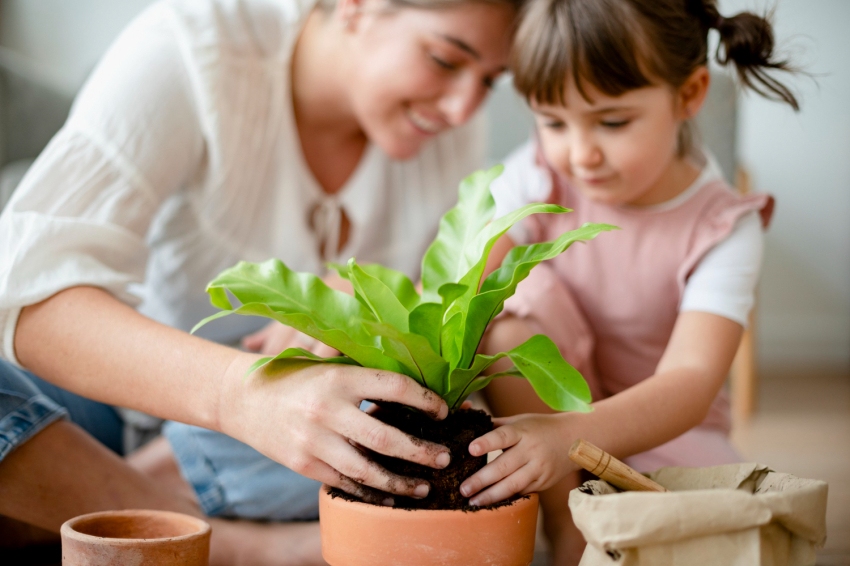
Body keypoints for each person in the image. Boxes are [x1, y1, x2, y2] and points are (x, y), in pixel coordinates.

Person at [0, 0, 522, 563]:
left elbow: (457, 297)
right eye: (445, 59)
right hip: (102, 410)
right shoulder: (195, 51)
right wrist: (239, 395)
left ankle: (85, 504)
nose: (464, 106)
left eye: (491, 81)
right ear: (356, 7)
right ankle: (227, 544)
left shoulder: (443, 126)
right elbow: (28, 293)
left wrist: (377, 297)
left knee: (448, 425)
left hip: (276, 458)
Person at [457, 0, 799, 563]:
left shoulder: (722, 227)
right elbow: (470, 282)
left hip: (661, 425)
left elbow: (690, 381)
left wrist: (568, 438)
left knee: (711, 540)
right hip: (553, 412)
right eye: (552, 122)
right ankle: (565, 524)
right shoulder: (540, 171)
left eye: (612, 122)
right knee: (507, 325)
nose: (580, 153)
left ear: (688, 95)